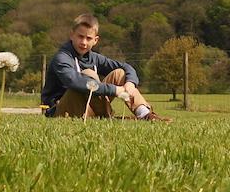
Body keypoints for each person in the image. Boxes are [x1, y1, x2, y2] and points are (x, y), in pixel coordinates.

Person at [41, 13, 171, 121]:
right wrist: (115, 90)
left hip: (88, 109)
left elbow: (127, 67)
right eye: (80, 36)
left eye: (88, 38)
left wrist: (130, 83)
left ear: (95, 40)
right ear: (72, 35)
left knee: (120, 73)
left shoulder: (94, 57)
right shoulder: (62, 57)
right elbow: (74, 81)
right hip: (61, 111)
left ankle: (145, 114)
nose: (84, 42)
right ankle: (107, 115)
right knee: (88, 75)